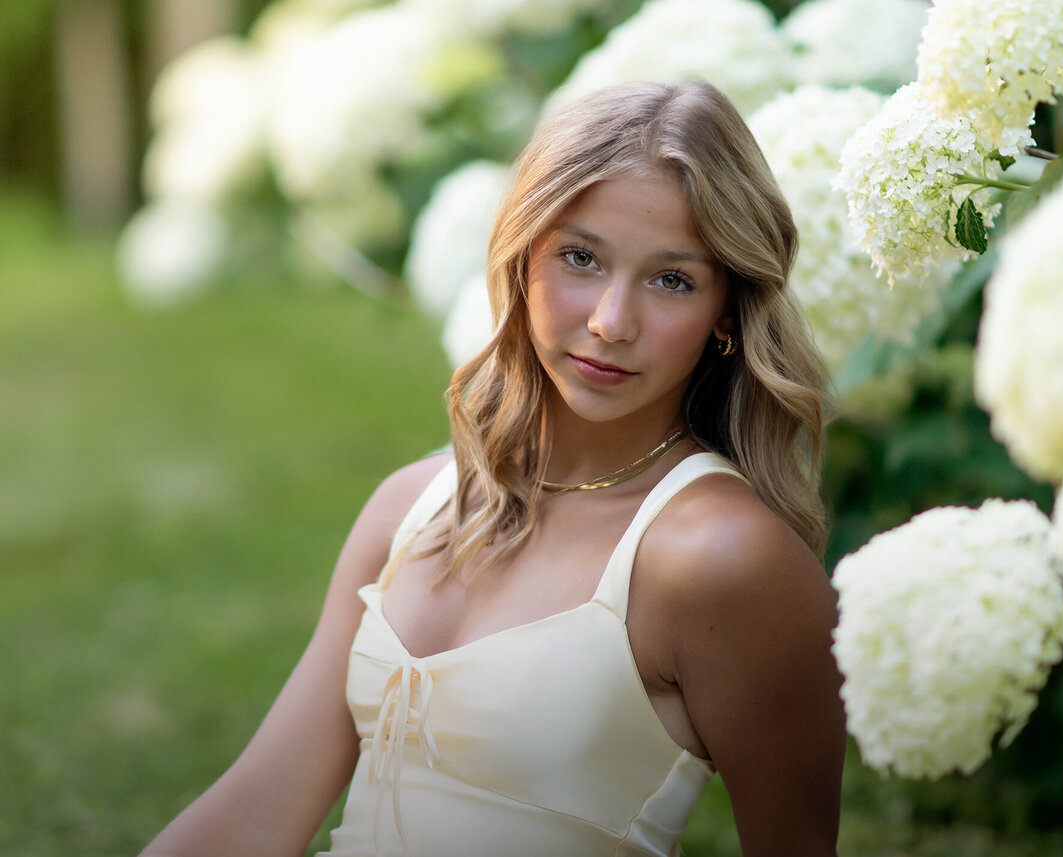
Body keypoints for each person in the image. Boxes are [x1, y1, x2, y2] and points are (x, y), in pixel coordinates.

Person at [139, 79, 845, 857]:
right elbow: (258, 811)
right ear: (522, 258)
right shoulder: (410, 506)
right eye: (581, 258)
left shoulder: (720, 557)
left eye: (671, 279)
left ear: (724, 313)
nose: (611, 323)